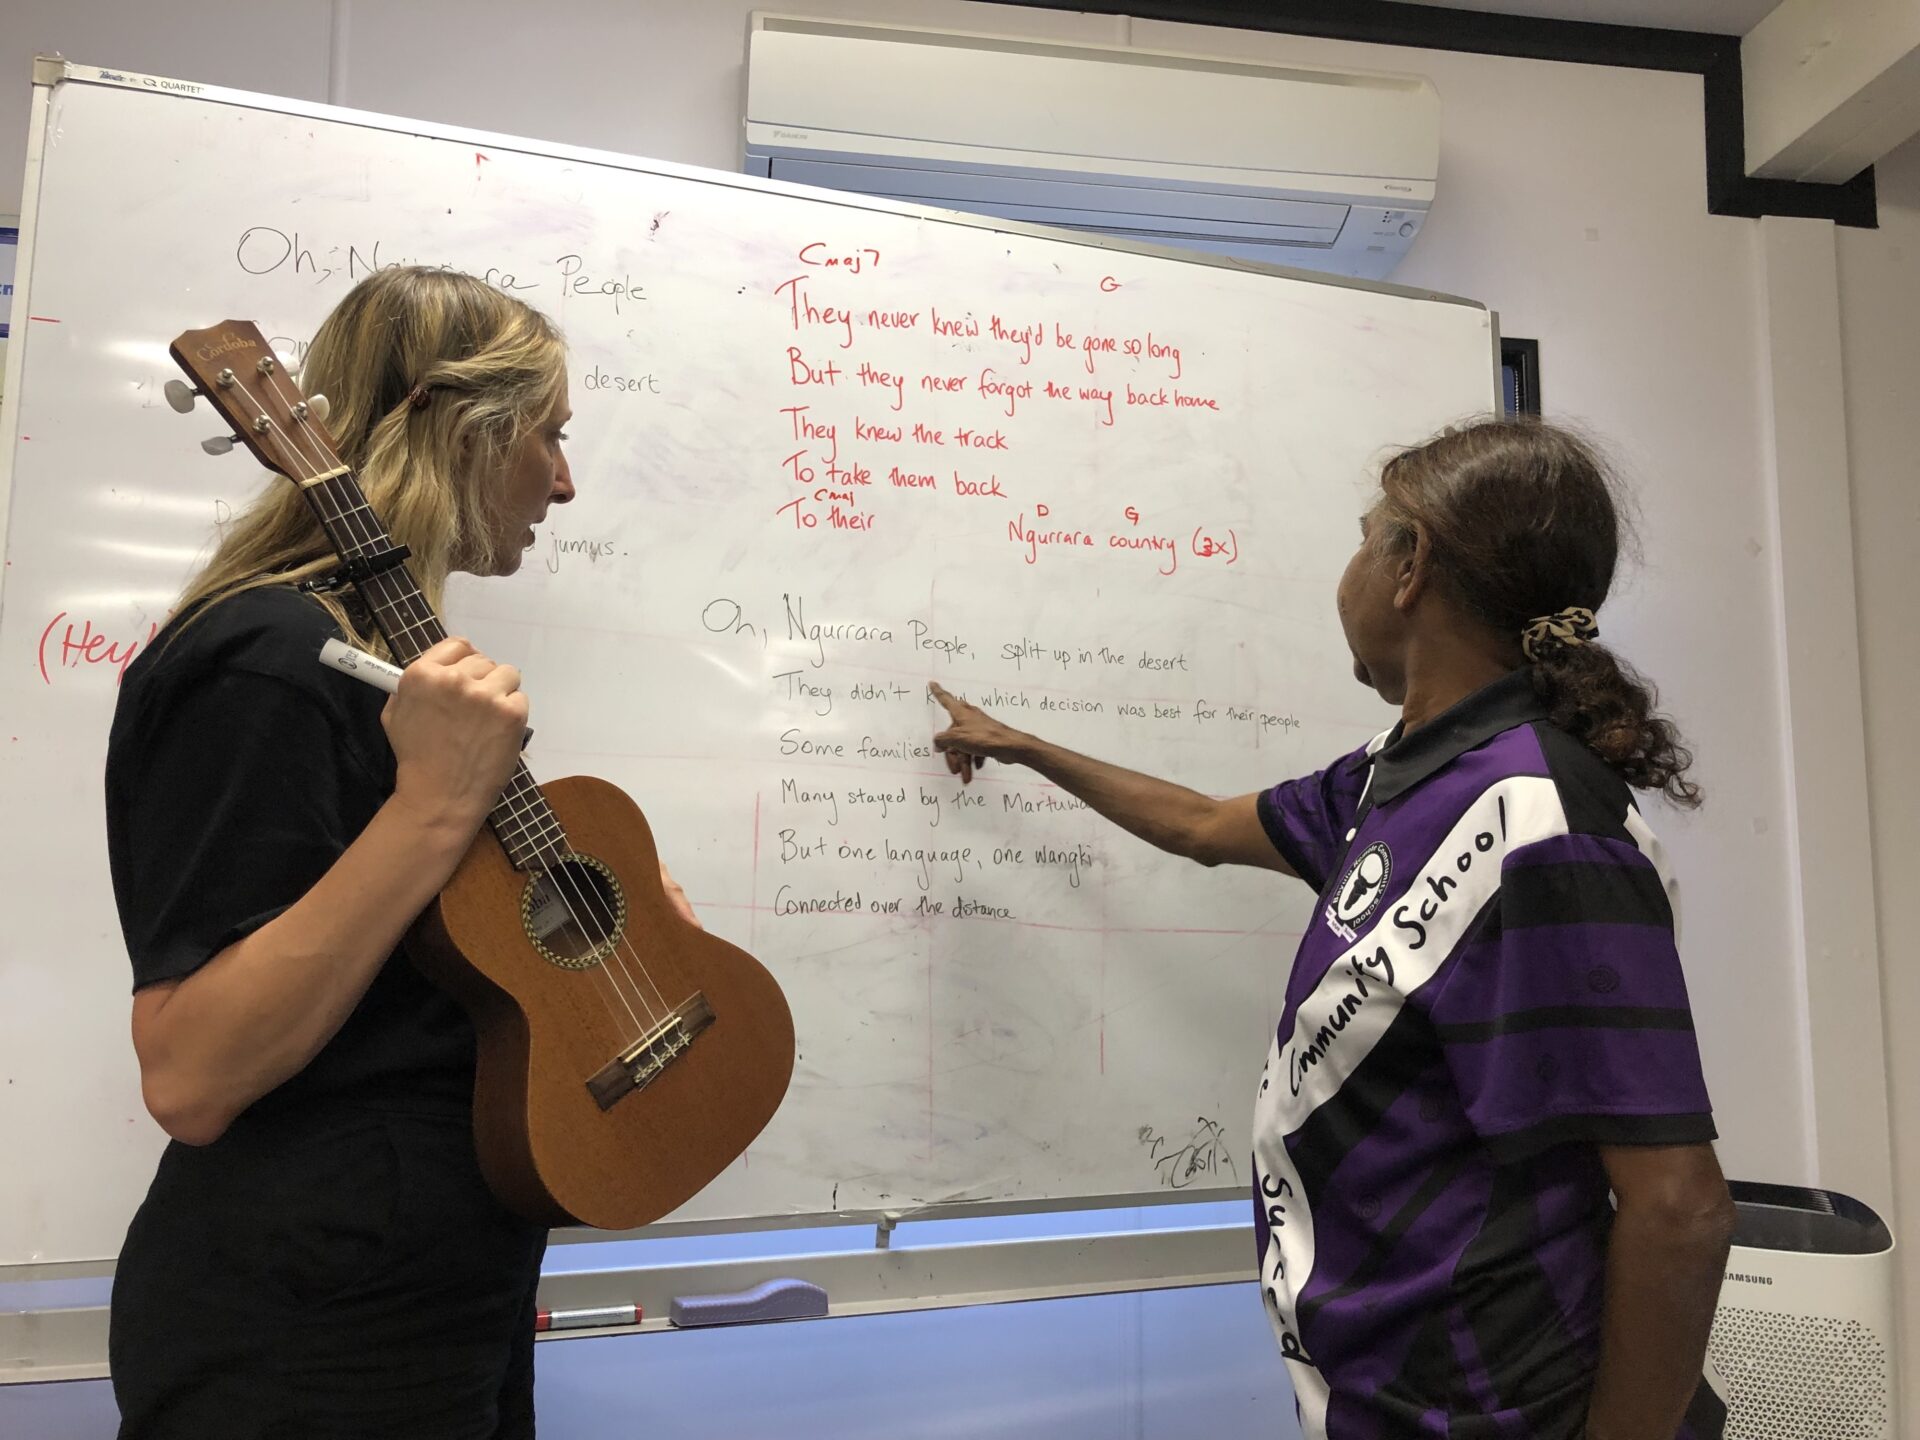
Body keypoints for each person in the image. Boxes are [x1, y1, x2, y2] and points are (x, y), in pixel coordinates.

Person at [930, 417, 1737, 1440]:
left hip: (1498, 1403)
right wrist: (1022, 746)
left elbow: (1680, 1207)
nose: (1346, 571)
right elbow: (1199, 826)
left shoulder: (1537, 820)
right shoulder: (1394, 776)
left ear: (1412, 569)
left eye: (1365, 537)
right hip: (1385, 1383)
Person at [104, 266, 685, 1437]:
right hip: (312, 1332)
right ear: (455, 423)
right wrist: (430, 808)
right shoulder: (270, 661)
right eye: (548, 437)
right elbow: (192, 1073)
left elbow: (413, 967)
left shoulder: (384, 658)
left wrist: (615, 918)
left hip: (435, 1289)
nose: (564, 483)